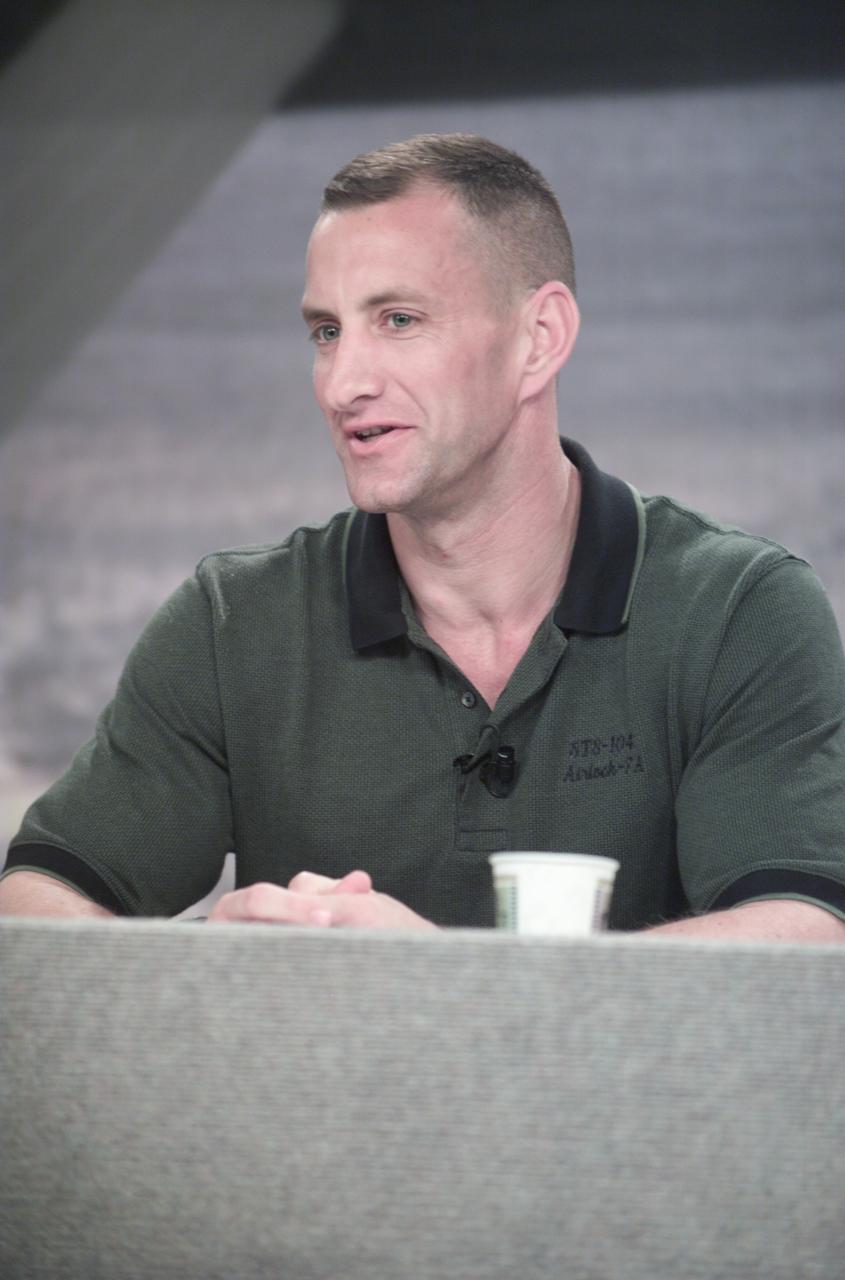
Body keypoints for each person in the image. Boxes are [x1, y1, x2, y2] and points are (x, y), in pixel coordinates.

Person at [2, 133, 844, 939]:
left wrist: (435, 982)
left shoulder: (739, 612)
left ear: (538, 338)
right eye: (326, 332)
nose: (342, 383)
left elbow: (804, 942)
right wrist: (213, 968)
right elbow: (33, 906)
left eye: (398, 320)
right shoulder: (230, 626)